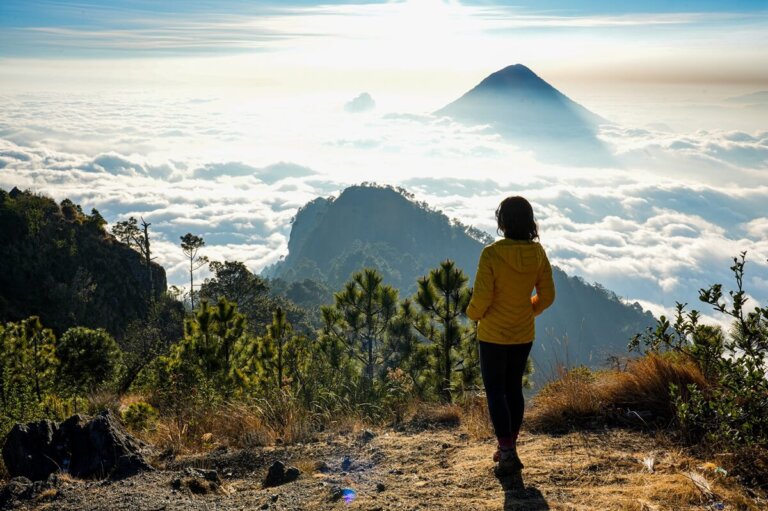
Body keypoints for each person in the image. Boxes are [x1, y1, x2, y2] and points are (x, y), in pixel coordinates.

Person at [466, 196, 555, 476]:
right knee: (514, 389)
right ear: (529, 222)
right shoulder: (537, 254)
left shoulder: (491, 254)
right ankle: (509, 447)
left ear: (502, 222)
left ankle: (506, 451)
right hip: (522, 332)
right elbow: (548, 295)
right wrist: (527, 309)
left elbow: (482, 298)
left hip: (493, 334)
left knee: (495, 391)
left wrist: (472, 314)